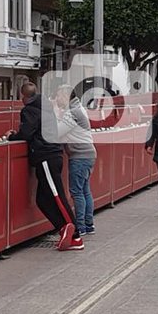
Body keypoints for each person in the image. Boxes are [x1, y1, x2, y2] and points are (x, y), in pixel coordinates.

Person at [10, 82, 81, 251]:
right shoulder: (47, 107)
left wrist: (11, 137)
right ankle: (64, 227)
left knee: (57, 196)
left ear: (23, 96)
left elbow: (26, 133)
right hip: (53, 153)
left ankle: (75, 235)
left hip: (45, 156)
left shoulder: (29, 111)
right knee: (42, 199)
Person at [56, 85, 96, 237]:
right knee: (85, 191)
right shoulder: (78, 108)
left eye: (59, 96)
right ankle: (88, 223)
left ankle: (80, 227)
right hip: (87, 154)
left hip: (79, 156)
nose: (56, 99)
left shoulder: (72, 112)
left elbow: (58, 132)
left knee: (77, 192)